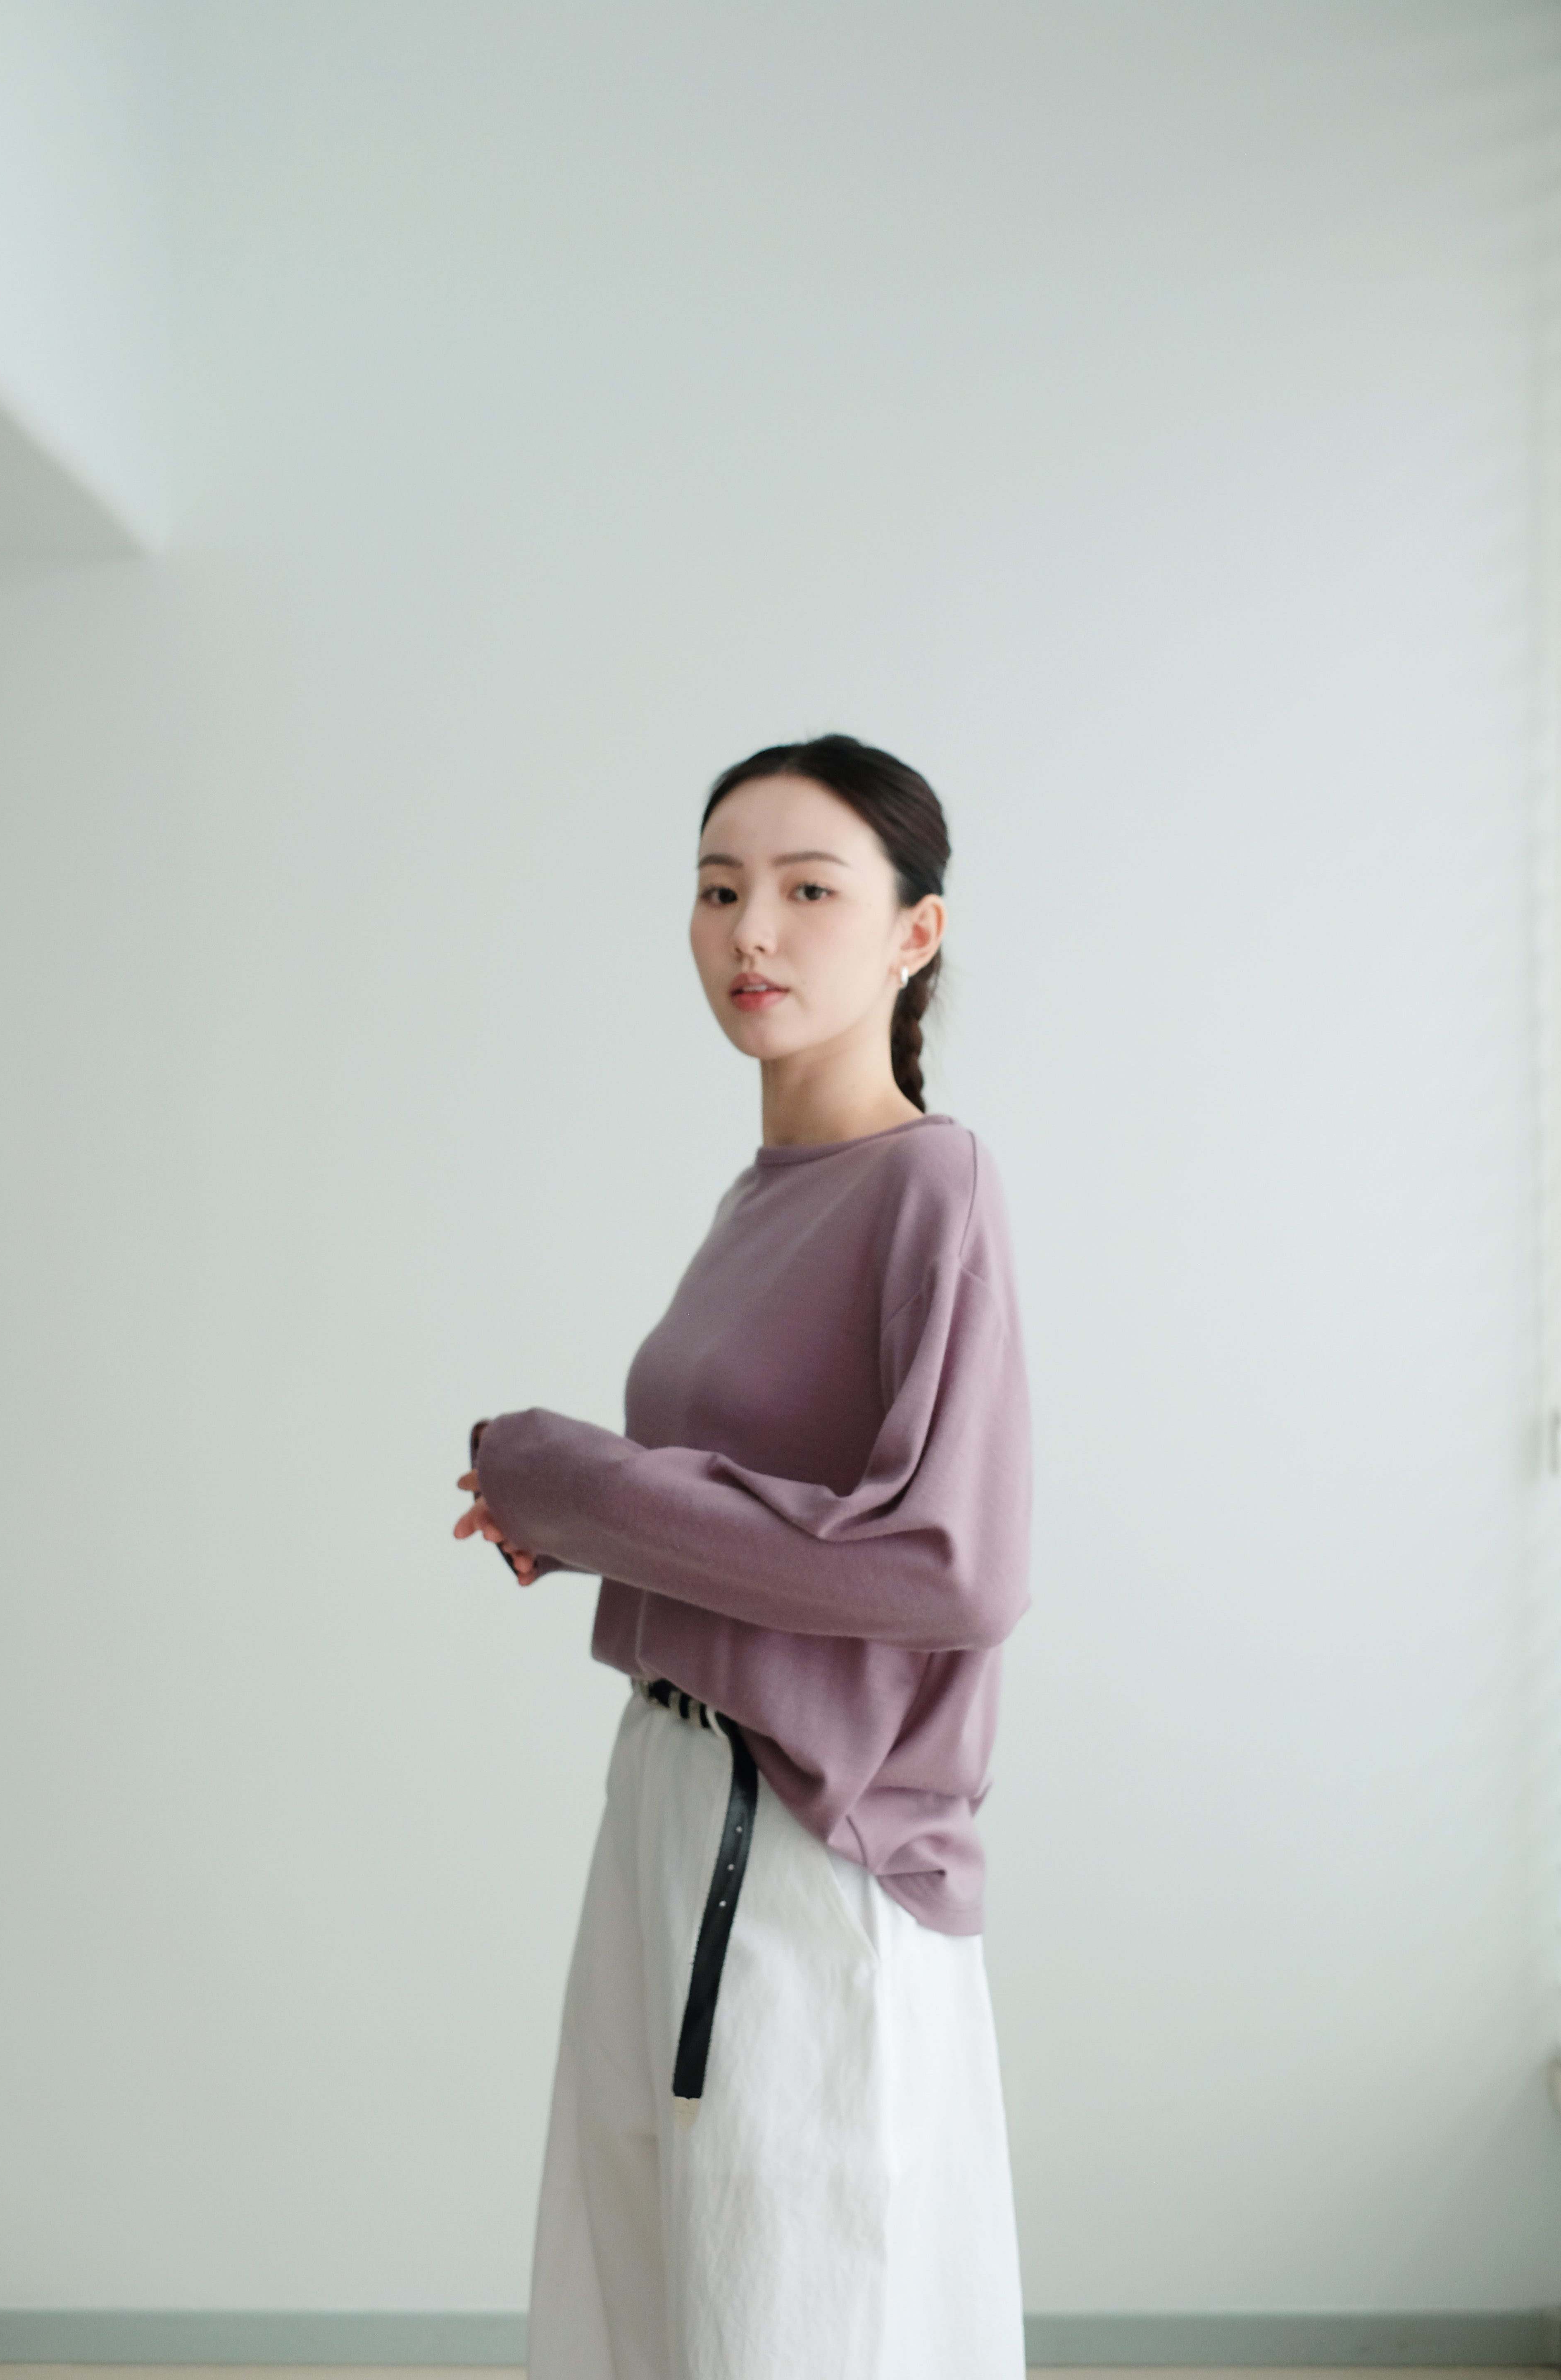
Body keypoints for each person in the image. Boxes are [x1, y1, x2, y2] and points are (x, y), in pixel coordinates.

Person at [454, 733, 1031, 2380]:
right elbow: (756, 1527)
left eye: (806, 891)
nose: (750, 932)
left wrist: (587, 1490)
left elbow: (951, 1571)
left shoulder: (933, 1182)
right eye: (718, 891)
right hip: (667, 1799)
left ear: (916, 932)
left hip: (799, 1841)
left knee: (789, 2321)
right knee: (647, 2307)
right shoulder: (761, 1196)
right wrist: (583, 1525)